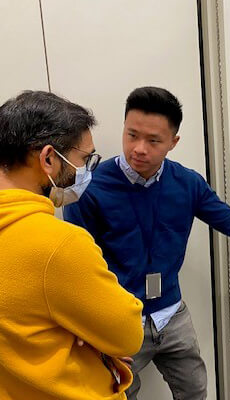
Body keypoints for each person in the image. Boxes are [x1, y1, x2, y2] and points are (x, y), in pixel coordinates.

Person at [64, 86, 230, 400]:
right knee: (120, 396)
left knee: (195, 392)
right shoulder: (90, 187)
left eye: (153, 140)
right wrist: (88, 327)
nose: (139, 148)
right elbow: (77, 265)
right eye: (131, 135)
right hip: (117, 321)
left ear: (173, 142)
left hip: (172, 315)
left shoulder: (187, 183)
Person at [0, 91, 144, 400]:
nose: (87, 171)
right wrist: (85, 331)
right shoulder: (58, 244)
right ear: (49, 158)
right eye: (84, 159)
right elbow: (128, 334)